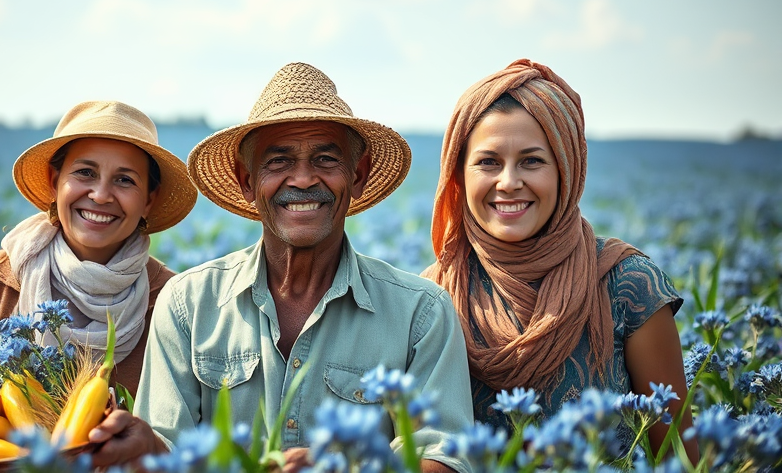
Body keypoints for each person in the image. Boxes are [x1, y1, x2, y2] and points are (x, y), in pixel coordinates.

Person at [91, 62, 473, 472]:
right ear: (246, 180)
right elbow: (166, 449)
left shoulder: (420, 312)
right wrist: (144, 449)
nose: (304, 179)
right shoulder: (188, 304)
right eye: (278, 161)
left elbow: (446, 457)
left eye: (326, 159)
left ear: (357, 176)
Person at [421, 59, 698, 461]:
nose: (509, 182)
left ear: (566, 171)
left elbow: (681, 458)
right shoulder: (430, 296)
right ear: (458, 176)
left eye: (532, 161)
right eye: (488, 162)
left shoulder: (630, 284)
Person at [0, 100, 197, 400]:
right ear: (55, 183)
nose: (101, 195)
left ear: (148, 200)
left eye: (124, 180)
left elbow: (184, 438)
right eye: (85, 173)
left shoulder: (173, 302)